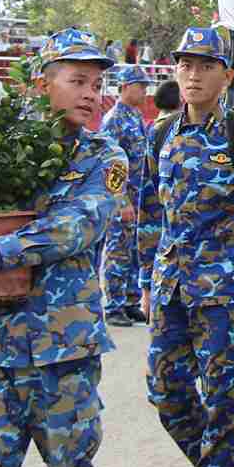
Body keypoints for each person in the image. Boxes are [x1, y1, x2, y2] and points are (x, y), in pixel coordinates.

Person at [0, 28, 128, 467]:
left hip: (64, 351)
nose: (91, 94)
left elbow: (77, 226)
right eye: (77, 81)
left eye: (97, 85)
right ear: (42, 85)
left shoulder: (105, 157)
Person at [138, 26, 234, 467]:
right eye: (186, 65)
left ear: (226, 76)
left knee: (223, 404)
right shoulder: (160, 134)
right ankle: (227, 460)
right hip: (171, 288)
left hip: (225, 292)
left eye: (206, 66)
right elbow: (150, 214)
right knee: (165, 393)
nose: (193, 75)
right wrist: (145, 283)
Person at [99, 65, 152, 326]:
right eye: (140, 86)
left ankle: (130, 302)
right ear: (125, 87)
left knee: (132, 251)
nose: (144, 91)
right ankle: (113, 306)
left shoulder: (135, 115)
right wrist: (121, 200)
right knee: (117, 251)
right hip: (122, 199)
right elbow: (110, 164)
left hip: (138, 196)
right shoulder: (114, 119)